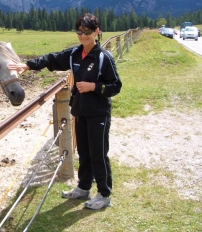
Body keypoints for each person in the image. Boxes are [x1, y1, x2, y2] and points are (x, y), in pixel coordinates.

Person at [7, 13, 122, 210]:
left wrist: (94, 87)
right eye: (79, 31)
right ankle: (83, 188)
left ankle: (104, 194)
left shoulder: (104, 57)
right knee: (84, 152)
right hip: (80, 110)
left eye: (87, 32)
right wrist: (28, 65)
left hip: (98, 113)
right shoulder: (74, 55)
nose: (83, 35)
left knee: (98, 154)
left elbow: (116, 85)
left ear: (96, 32)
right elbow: (52, 59)